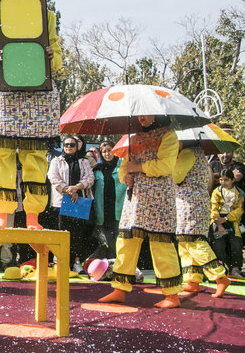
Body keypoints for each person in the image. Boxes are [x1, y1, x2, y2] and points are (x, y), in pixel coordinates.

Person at [0, 9, 62, 230]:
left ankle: (33, 218)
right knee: (2, 154)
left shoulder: (46, 15)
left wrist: (53, 56)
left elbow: (57, 57)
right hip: (6, 89)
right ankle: (0, 216)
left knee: (35, 155)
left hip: (39, 88)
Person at [99, 115, 182, 308]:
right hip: (135, 199)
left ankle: (172, 295)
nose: (141, 118)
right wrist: (125, 176)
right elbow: (124, 166)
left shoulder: (168, 135)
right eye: (138, 114)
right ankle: (119, 289)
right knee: (126, 242)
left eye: (146, 113)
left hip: (159, 198)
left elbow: (166, 166)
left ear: (157, 114)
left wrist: (138, 167)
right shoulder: (133, 137)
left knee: (160, 244)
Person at [174, 144, 231, 297]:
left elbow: (176, 177)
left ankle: (220, 277)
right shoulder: (197, 153)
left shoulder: (187, 153)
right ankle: (192, 280)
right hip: (190, 203)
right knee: (185, 242)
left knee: (194, 241)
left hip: (191, 204)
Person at [47, 136, 95, 265]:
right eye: (66, 144)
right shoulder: (56, 161)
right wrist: (68, 190)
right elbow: (53, 177)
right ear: (63, 146)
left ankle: (75, 262)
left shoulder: (83, 161)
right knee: (62, 232)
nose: (69, 147)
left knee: (78, 233)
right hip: (61, 201)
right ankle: (60, 261)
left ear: (76, 147)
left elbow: (90, 177)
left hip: (79, 200)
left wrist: (77, 188)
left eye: (72, 145)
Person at [92, 141, 127, 258]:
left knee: (120, 240)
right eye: (104, 151)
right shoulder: (97, 169)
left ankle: (120, 265)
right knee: (107, 241)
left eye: (110, 150)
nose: (107, 154)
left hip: (119, 210)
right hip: (103, 211)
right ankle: (109, 265)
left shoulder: (123, 166)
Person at [210, 169, 244, 277]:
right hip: (218, 220)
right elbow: (213, 208)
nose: (223, 182)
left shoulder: (240, 193)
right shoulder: (217, 192)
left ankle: (235, 268)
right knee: (218, 243)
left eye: (226, 180)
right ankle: (221, 267)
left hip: (232, 221)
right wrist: (219, 223)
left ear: (233, 180)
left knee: (236, 242)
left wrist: (227, 219)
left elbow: (240, 210)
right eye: (221, 179)